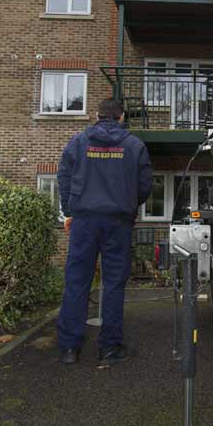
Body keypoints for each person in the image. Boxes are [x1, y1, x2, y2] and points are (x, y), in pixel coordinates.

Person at [57, 98, 152, 366]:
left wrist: (70, 210)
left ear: (96, 115)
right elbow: (145, 184)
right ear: (121, 118)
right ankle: (109, 348)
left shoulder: (78, 142)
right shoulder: (134, 146)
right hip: (118, 222)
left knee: (76, 281)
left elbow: (63, 177)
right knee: (113, 283)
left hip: (84, 221)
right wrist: (129, 204)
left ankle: (69, 349)